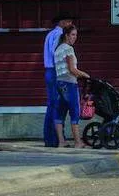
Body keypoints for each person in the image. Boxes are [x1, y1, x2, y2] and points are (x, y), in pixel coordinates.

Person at [54, 24, 89, 148]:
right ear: (66, 35)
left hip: (59, 83)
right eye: (73, 35)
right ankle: (78, 142)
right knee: (74, 111)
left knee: (59, 112)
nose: (75, 37)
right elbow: (72, 69)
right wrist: (85, 74)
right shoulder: (68, 49)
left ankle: (61, 141)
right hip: (69, 83)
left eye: (76, 35)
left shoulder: (57, 49)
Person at [43, 12, 74, 147]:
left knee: (53, 104)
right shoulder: (58, 35)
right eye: (68, 22)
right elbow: (57, 54)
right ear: (62, 22)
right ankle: (54, 138)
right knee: (56, 105)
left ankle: (51, 137)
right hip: (56, 71)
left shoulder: (50, 34)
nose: (70, 24)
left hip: (50, 70)